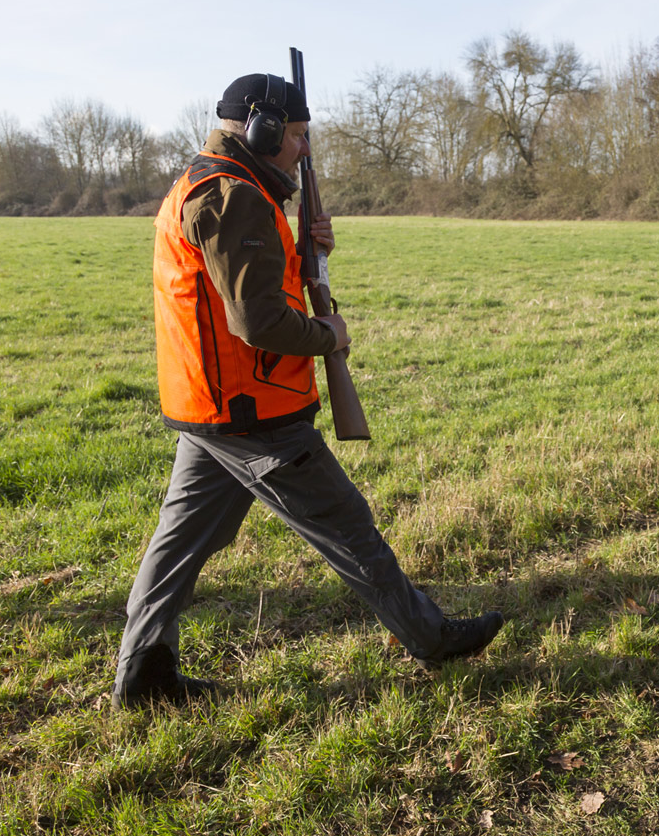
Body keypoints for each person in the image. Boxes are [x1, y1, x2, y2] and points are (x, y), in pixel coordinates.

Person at [113, 73, 503, 708]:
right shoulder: (232, 196)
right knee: (347, 525)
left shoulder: (218, 184)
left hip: (211, 408)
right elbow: (257, 320)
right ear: (263, 128)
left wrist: (304, 259)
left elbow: (243, 292)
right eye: (296, 135)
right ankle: (432, 639)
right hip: (253, 411)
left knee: (180, 546)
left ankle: (144, 677)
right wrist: (329, 333)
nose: (302, 148)